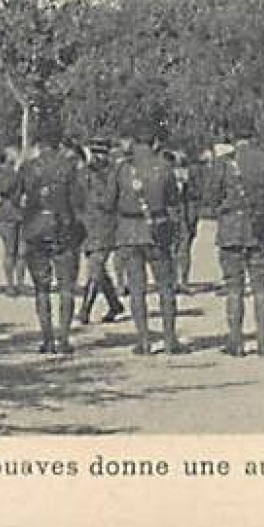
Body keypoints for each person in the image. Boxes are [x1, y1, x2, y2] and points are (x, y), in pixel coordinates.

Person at [104, 123, 184, 355]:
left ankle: (144, 341)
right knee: (165, 287)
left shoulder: (122, 169)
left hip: (129, 231)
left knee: (137, 288)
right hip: (157, 229)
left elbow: (109, 202)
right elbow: (174, 200)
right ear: (155, 143)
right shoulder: (165, 167)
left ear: (134, 143)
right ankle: (170, 340)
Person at [4, 132, 84, 354]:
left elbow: (12, 197)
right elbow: (79, 200)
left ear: (39, 145)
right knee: (67, 287)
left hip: (36, 229)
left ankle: (47, 338)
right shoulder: (69, 167)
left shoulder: (28, 167)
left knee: (42, 288)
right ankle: (65, 338)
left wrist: (27, 214)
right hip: (63, 229)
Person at [205, 132, 264, 356]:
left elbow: (211, 196)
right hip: (260, 229)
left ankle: (236, 342)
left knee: (234, 289)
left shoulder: (224, 163)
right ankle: (263, 344)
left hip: (231, 229)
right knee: (261, 288)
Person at [76, 143, 125, 325]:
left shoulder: (114, 174)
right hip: (87, 226)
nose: (98, 157)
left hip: (106, 227)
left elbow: (111, 200)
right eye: (95, 153)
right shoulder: (83, 174)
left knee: (95, 268)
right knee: (98, 270)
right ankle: (114, 304)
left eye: (102, 153)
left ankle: (84, 310)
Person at [0, 147, 26, 297]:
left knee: (21, 252)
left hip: (17, 214)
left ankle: (20, 283)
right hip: (8, 214)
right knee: (11, 251)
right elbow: (4, 189)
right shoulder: (4, 173)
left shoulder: (15, 173)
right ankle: (11, 284)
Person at [170, 150, 204, 292]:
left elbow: (198, 194)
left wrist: (186, 185)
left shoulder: (193, 174)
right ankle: (172, 281)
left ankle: (183, 280)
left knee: (184, 249)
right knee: (171, 249)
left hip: (186, 215)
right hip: (171, 215)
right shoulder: (165, 173)